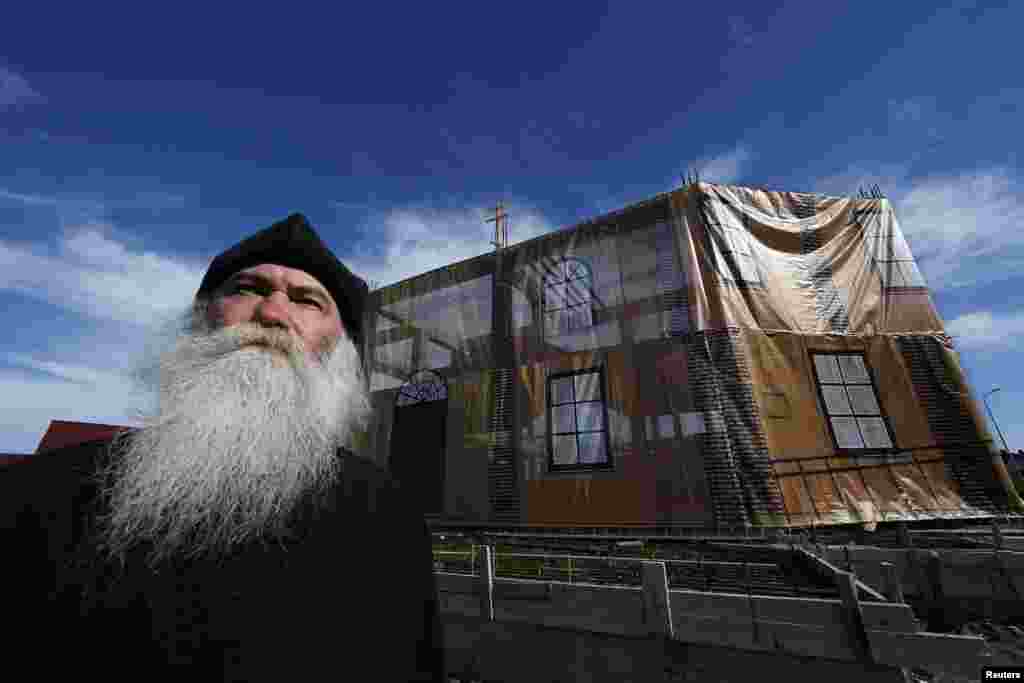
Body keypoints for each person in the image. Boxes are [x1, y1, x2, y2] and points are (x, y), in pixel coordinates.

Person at [0, 214, 446, 682]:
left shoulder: (388, 518)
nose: (272, 314)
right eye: (247, 289)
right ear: (201, 320)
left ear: (342, 350)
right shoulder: (35, 495)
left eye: (306, 301)